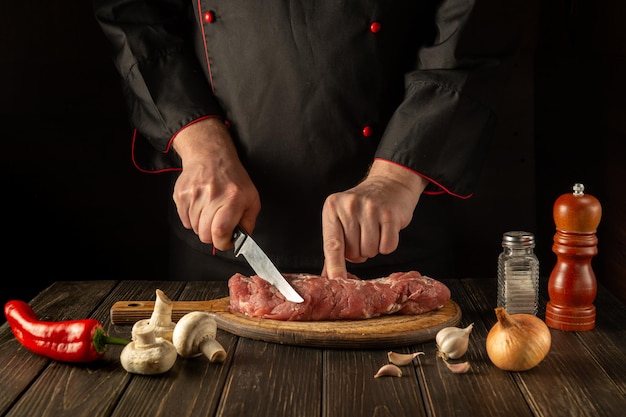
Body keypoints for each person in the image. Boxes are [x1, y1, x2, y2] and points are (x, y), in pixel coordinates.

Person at [93, 0, 523, 281]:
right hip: (219, 229)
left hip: (393, 235)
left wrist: (396, 177)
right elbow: (130, 10)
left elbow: (475, 21)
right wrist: (200, 142)